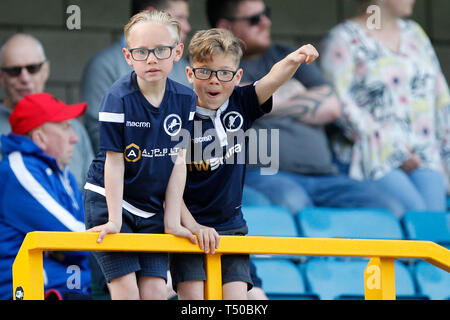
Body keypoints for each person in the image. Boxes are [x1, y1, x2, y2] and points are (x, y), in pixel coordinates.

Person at [206, 0, 404, 217]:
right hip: (264, 175)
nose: (266, 22)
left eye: (266, 14)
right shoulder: (213, 66)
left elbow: (331, 107)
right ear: (226, 26)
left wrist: (258, 102)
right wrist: (293, 91)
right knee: (298, 206)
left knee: (389, 209)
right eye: (254, 19)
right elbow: (226, 105)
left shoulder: (289, 55)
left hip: (325, 175)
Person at [170, 27, 319, 300]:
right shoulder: (178, 114)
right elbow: (168, 186)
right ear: (190, 74)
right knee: (194, 299)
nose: (215, 81)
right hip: (189, 229)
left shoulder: (242, 102)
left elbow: (273, 79)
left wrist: (294, 59)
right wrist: (190, 225)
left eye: (224, 73)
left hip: (231, 227)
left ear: (237, 77)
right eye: (205, 72)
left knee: (237, 300)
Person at [84, 10, 200, 300]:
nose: (151, 59)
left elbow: (178, 163)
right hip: (111, 200)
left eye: (161, 50)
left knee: (156, 291)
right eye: (142, 52)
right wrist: (113, 220)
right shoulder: (117, 97)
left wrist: (172, 220)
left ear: (177, 52)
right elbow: (113, 161)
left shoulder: (186, 99)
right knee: (126, 291)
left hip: (151, 208)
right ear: (127, 55)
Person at [320, 0, 450, 212]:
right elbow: (339, 103)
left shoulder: (415, 33)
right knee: (414, 214)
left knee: (435, 222)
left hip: (425, 155)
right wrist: (394, 148)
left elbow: (441, 99)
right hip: (371, 156)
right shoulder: (343, 39)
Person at [0, 93, 91, 300]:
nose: (74, 137)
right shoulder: (17, 169)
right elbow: (78, 238)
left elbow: (84, 236)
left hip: (71, 289)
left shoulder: (62, 173)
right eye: (65, 127)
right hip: (33, 293)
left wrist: (62, 248)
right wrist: (65, 246)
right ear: (39, 137)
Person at [81, 0, 192, 153]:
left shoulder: (185, 69)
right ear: (151, 14)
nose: (187, 27)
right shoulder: (104, 65)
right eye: (179, 18)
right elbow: (99, 133)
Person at [0, 33, 94, 190]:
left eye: (33, 68)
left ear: (46, 69)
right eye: (14, 71)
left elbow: (93, 190)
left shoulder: (74, 128)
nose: (25, 77)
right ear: (1, 76)